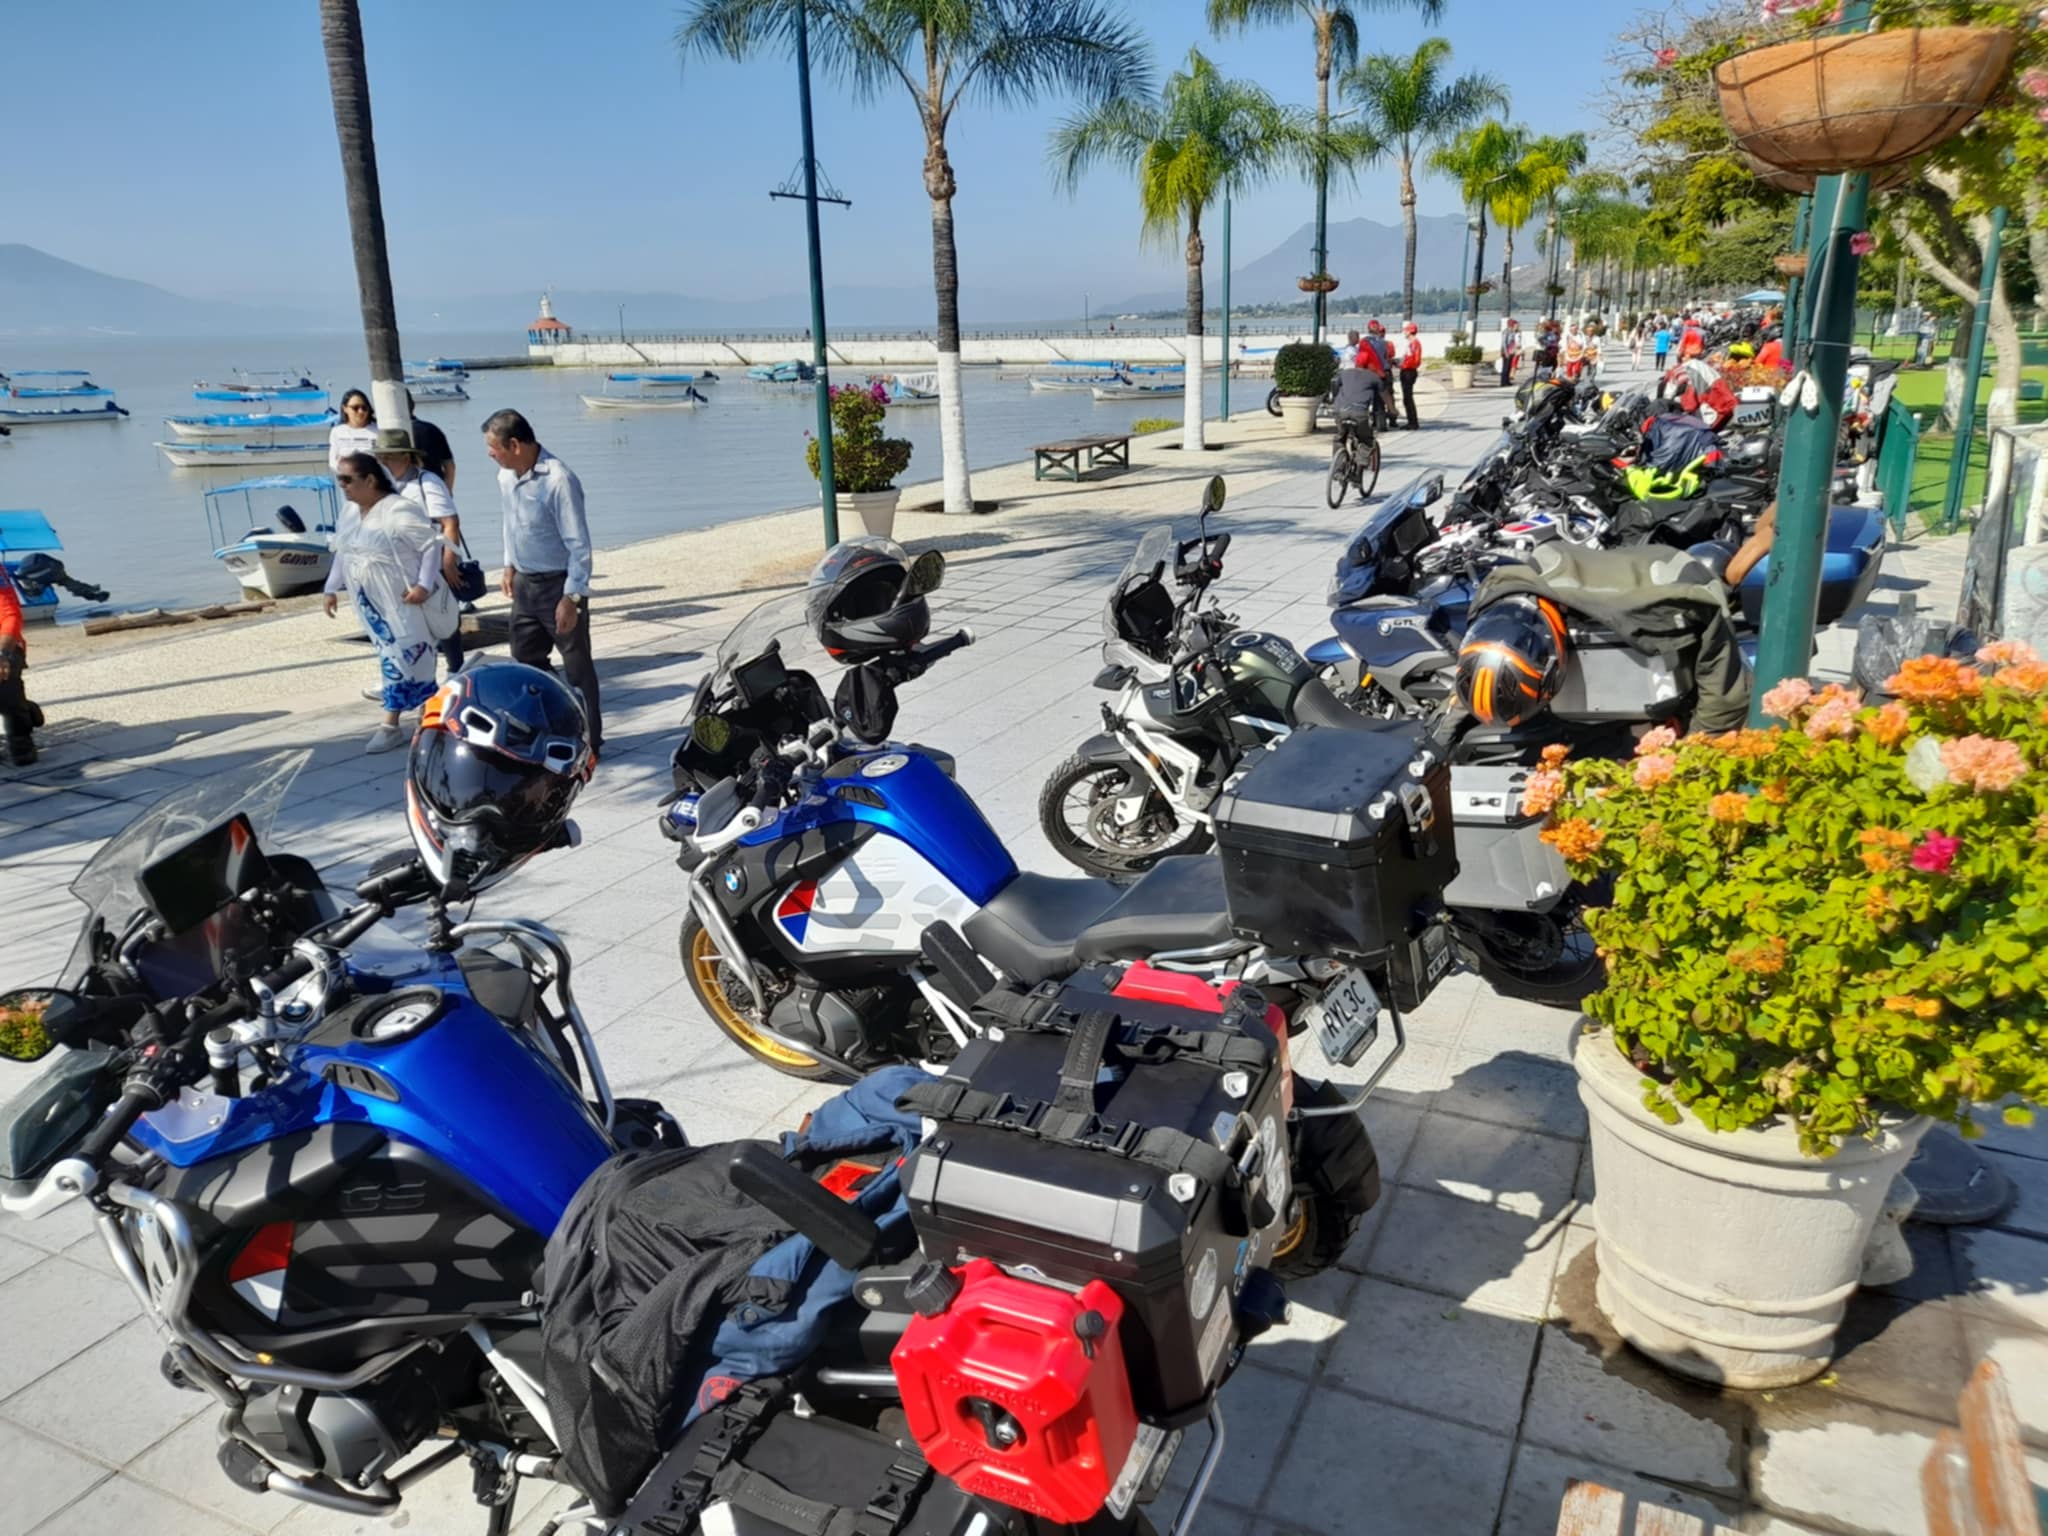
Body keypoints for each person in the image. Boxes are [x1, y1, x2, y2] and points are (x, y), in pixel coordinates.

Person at [485, 408, 602, 761]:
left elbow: (579, 544)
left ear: (515, 444)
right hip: (524, 584)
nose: (490, 454)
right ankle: (551, 721)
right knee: (524, 660)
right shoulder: (505, 477)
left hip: (557, 585)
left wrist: (572, 596)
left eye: (494, 448)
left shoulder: (559, 480)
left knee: (578, 667)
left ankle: (591, 741)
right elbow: (511, 523)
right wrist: (508, 565)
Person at [324, 452, 448, 754]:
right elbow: (343, 550)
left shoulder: (398, 510)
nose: (342, 485)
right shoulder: (350, 513)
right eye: (338, 479)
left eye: (347, 479)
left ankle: (391, 724)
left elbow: (431, 545)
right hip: (371, 604)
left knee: (409, 656)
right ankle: (424, 718)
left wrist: (423, 584)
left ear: (370, 479)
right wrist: (330, 588)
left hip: (403, 601)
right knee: (391, 655)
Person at [377, 426, 469, 676]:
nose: (384, 462)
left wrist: (449, 562)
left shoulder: (426, 482)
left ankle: (455, 670)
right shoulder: (383, 487)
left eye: (389, 457)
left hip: (432, 562)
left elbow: (449, 522)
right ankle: (415, 675)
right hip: (400, 566)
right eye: (380, 457)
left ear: (406, 457)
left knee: (443, 620)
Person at [0, 561, 37, 767]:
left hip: (4, 644)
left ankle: (20, 740)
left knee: (4, 684)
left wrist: (2, 652)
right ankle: (26, 708)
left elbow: (10, 615)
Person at [1331, 354, 1383, 465]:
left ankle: (1339, 469)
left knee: (1340, 438)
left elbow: (1335, 385)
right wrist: (1393, 410)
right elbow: (1385, 395)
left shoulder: (1344, 373)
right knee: (1366, 439)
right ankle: (1359, 469)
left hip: (1340, 411)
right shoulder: (1373, 377)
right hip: (1359, 413)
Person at [329, 389, 377, 471]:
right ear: (345, 409)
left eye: (364, 408)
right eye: (355, 408)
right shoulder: (337, 432)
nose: (360, 411)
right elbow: (333, 461)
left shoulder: (378, 431)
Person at [1362, 320, 1395, 432]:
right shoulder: (1385, 343)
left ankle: (1370, 423)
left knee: (1366, 399)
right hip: (1383, 373)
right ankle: (1382, 424)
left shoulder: (1365, 342)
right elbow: (1388, 357)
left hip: (1370, 373)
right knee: (1381, 399)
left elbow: (1362, 358)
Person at [1397, 321, 1422, 430]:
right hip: (1407, 370)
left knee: (1408, 397)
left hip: (1409, 371)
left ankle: (1413, 422)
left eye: (1406, 330)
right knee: (1407, 397)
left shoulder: (1414, 344)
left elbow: (1414, 360)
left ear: (1410, 331)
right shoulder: (1412, 344)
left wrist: (1403, 365)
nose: (1404, 332)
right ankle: (1411, 420)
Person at [1498, 317, 1523, 387]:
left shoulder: (1513, 332)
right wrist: (1506, 352)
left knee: (1509, 366)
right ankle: (1503, 382)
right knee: (1505, 367)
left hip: (1511, 351)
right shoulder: (1506, 332)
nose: (1517, 327)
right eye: (1515, 325)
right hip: (1506, 351)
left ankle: (1507, 381)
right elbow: (1504, 343)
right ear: (1512, 325)